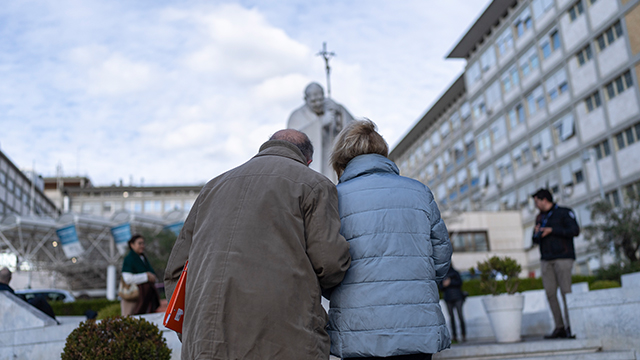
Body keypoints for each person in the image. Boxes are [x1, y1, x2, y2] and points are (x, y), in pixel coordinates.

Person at [164, 129, 351, 360]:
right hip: (284, 339)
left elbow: (176, 271)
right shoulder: (315, 184)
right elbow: (330, 263)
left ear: (266, 146)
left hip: (205, 340)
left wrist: (194, 327)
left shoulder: (212, 188)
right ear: (308, 161)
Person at [327, 120, 452, 360]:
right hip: (415, 325)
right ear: (382, 152)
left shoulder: (334, 198)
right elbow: (441, 254)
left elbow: (326, 261)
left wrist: (340, 291)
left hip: (358, 326)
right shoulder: (419, 192)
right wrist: (417, 283)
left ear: (341, 158)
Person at [531, 188, 580, 339]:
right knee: (550, 293)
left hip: (563, 257)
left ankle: (571, 326)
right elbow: (534, 240)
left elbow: (575, 230)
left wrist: (552, 230)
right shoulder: (539, 217)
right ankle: (559, 327)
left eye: (536, 202)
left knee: (566, 292)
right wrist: (536, 233)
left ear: (544, 200)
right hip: (546, 259)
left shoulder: (564, 212)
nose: (535, 205)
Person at [288, 82, 354, 182]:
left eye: (320, 99)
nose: (318, 103)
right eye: (314, 101)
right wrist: (320, 123)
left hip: (332, 163)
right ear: (306, 99)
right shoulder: (296, 116)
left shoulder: (331, 108)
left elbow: (354, 128)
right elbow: (292, 140)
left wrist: (339, 111)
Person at [121, 234, 160, 315]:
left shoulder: (143, 258)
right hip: (133, 297)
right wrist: (146, 276)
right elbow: (127, 279)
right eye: (139, 243)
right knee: (130, 320)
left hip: (145, 297)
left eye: (143, 243)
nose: (142, 246)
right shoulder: (129, 259)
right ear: (132, 245)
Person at [439, 265, 466, 343]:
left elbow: (460, 282)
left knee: (460, 316)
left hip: (457, 297)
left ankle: (463, 335)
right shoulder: (442, 274)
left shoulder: (455, 273)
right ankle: (454, 336)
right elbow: (440, 287)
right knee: (452, 318)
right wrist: (444, 285)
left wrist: (450, 283)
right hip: (448, 298)